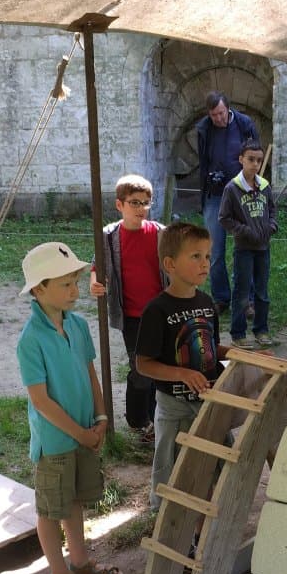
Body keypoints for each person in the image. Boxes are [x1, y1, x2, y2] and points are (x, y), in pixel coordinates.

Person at [17, 241, 124, 574]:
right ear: (38, 289)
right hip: (56, 441)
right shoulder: (30, 340)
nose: (74, 291)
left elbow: (92, 375)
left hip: (86, 432)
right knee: (51, 510)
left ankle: (79, 563)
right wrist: (80, 433)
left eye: (75, 282)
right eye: (64, 284)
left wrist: (101, 419)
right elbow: (40, 400)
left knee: (75, 500)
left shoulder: (77, 325)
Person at [136, 222, 230, 510]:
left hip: (208, 401)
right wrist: (182, 374)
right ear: (170, 264)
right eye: (195, 256)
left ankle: (202, 532)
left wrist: (240, 353)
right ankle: (173, 525)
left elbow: (212, 347)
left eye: (207, 256)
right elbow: (143, 364)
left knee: (212, 468)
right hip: (174, 407)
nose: (205, 263)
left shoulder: (206, 302)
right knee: (174, 472)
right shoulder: (157, 310)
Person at [90, 174, 167, 443]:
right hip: (132, 316)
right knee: (141, 368)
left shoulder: (160, 233)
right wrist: (95, 282)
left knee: (163, 366)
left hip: (161, 313)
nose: (141, 208)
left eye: (146, 203)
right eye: (135, 202)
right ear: (119, 205)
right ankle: (138, 420)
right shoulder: (109, 236)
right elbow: (97, 265)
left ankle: (159, 420)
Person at [195, 91, 259, 314]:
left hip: (241, 193)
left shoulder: (244, 124)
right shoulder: (204, 129)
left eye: (221, 113)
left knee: (244, 247)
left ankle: (247, 300)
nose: (218, 119)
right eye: (214, 115)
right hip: (214, 195)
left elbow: (255, 156)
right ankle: (221, 298)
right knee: (214, 250)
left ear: (228, 109)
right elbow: (203, 162)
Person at [218, 139, 277, 349]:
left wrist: (271, 227)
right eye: (251, 159)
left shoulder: (264, 186)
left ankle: (261, 330)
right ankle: (238, 333)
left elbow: (272, 210)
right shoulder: (232, 189)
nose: (255, 164)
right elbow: (224, 218)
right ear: (241, 159)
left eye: (259, 160)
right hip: (244, 248)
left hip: (263, 248)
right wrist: (245, 231)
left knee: (262, 292)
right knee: (242, 292)